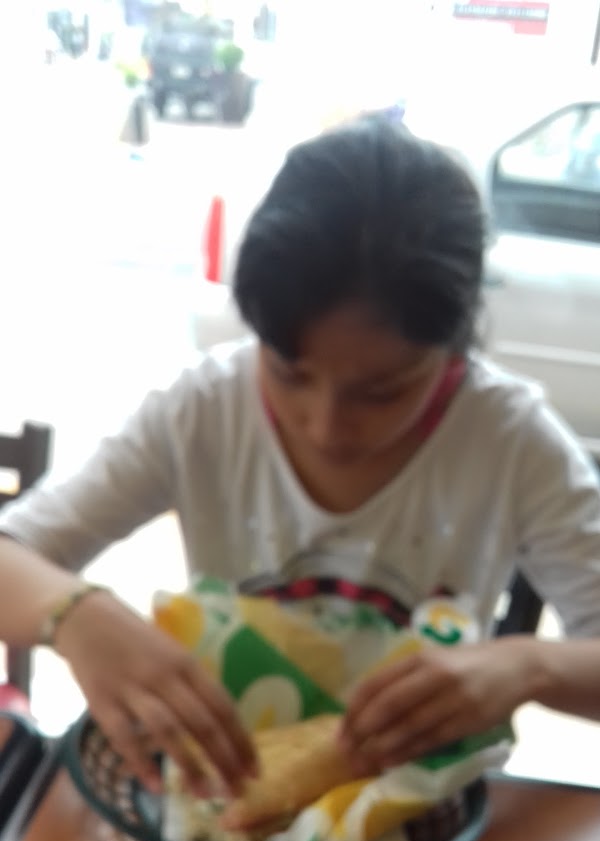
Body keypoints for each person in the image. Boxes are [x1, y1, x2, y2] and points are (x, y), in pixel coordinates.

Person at [2, 120, 600, 798]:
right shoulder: (205, 409)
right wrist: (75, 614)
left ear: (454, 347)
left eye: (383, 392)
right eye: (289, 373)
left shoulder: (511, 442)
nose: (325, 427)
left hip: (422, 813)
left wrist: (530, 666)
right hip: (232, 793)